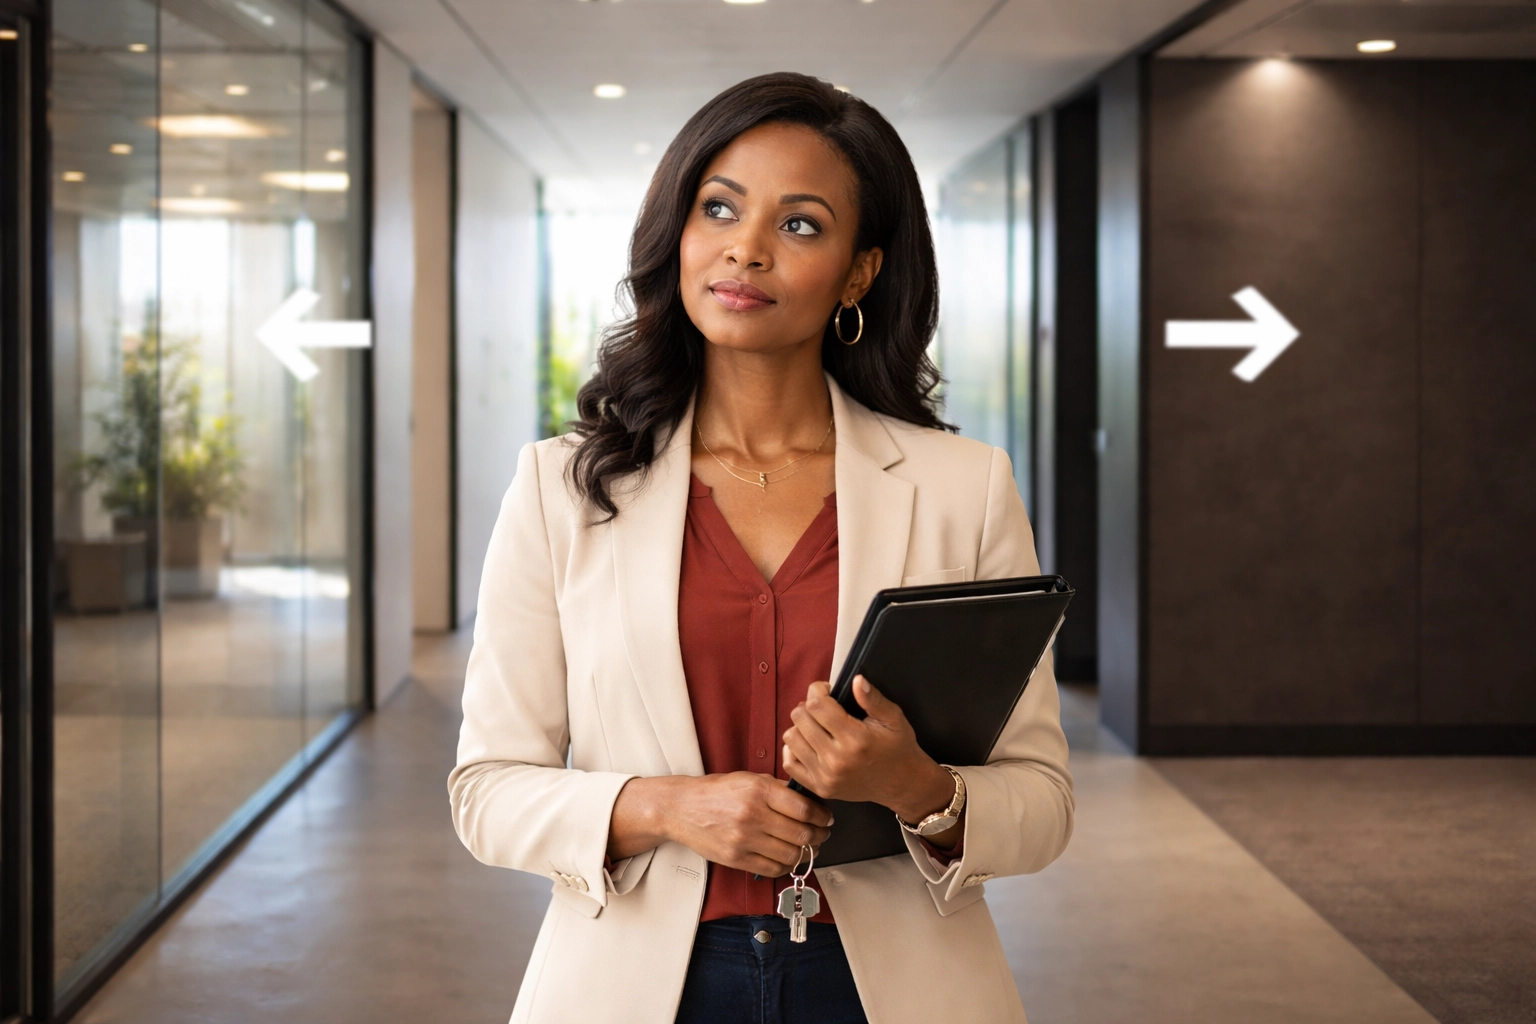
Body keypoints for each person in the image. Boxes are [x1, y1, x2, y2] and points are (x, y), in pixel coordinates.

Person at [449, 71, 1074, 1024]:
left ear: (859, 273)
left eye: (801, 224)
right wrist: (661, 807)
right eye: (720, 208)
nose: (746, 247)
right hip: (636, 984)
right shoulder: (563, 488)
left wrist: (916, 788)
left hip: (890, 988)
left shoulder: (964, 488)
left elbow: (1042, 803)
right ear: (680, 233)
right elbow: (487, 792)